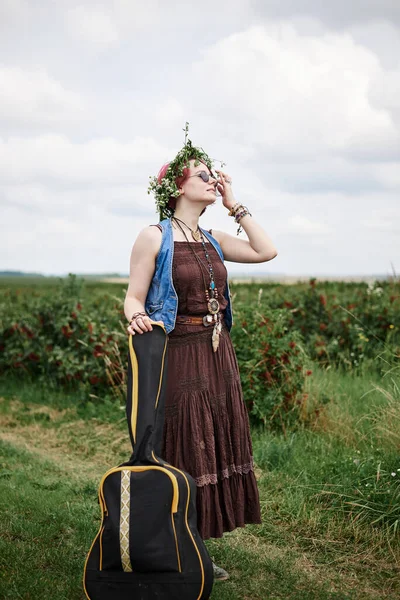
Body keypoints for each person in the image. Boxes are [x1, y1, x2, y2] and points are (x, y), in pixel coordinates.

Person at [124, 128, 278, 581]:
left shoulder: (212, 239)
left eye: (215, 176)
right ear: (177, 187)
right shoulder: (154, 237)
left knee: (211, 444)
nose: (213, 180)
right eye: (204, 176)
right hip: (178, 354)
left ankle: (195, 545)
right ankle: (179, 546)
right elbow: (133, 297)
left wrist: (236, 205)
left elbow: (266, 250)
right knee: (186, 447)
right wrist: (135, 316)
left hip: (217, 354)